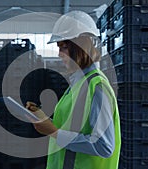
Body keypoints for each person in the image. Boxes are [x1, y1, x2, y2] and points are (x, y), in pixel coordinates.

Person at [26, 11, 121, 169]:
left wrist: (55, 133)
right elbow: (71, 127)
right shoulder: (78, 85)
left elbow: (104, 146)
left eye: (63, 47)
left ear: (81, 47)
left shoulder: (97, 86)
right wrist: (45, 121)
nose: (59, 54)